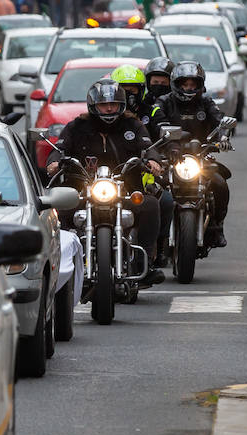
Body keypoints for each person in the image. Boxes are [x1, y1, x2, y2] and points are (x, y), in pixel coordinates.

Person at [46, 80, 166, 283]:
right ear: (93, 106)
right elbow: (59, 149)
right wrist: (54, 162)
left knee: (152, 205)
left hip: (125, 192)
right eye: (104, 104)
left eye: (114, 104)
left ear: (122, 105)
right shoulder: (77, 127)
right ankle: (61, 262)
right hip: (83, 193)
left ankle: (143, 261)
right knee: (57, 210)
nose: (109, 108)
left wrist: (153, 160)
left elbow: (147, 145)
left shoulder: (133, 125)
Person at [151, 60, 230, 247]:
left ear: (200, 85)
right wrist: (169, 143)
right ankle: (156, 239)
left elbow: (219, 121)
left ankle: (217, 227)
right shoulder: (163, 102)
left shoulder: (206, 102)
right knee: (154, 191)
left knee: (219, 183)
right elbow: (158, 122)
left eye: (193, 85)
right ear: (176, 84)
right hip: (168, 157)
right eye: (185, 84)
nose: (188, 88)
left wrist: (223, 136)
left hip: (200, 156)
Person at [140, 56, 175, 121]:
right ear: (148, 82)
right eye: (155, 82)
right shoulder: (142, 103)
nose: (159, 85)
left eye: (164, 83)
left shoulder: (175, 104)